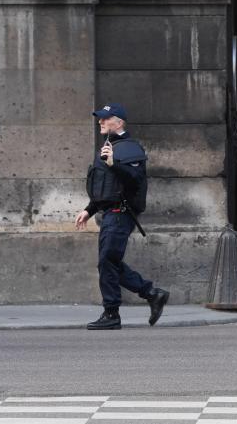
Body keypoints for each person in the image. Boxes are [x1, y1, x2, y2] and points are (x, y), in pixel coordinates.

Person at [74, 103, 169, 330]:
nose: (101, 122)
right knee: (110, 262)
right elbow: (105, 187)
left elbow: (134, 179)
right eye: (100, 119)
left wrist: (114, 164)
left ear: (119, 122)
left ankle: (112, 313)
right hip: (109, 213)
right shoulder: (108, 147)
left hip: (121, 214)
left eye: (106, 119)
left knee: (107, 262)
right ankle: (151, 293)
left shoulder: (129, 148)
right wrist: (89, 210)